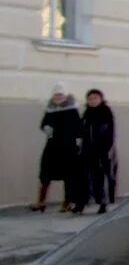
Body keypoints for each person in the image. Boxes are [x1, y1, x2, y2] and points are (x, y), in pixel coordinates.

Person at [32, 82, 82, 213]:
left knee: (69, 176)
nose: (58, 97)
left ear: (65, 96)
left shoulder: (72, 110)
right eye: (56, 95)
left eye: (60, 95)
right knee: (45, 174)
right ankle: (41, 202)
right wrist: (46, 128)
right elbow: (43, 124)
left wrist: (68, 132)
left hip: (68, 147)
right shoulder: (50, 109)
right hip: (52, 146)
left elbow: (79, 128)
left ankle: (68, 202)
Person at [80, 88, 117, 214]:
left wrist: (107, 149)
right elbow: (82, 131)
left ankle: (103, 203)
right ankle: (82, 203)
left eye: (95, 98)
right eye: (90, 98)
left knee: (100, 177)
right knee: (84, 177)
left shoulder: (105, 112)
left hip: (102, 150)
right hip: (87, 150)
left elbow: (110, 133)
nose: (92, 100)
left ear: (101, 99)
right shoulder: (86, 113)